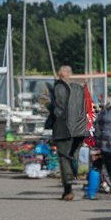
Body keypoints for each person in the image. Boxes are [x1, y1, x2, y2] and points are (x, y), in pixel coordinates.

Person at [45, 66, 89, 200]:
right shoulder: (77, 88)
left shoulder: (59, 88)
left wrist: (51, 109)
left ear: (59, 75)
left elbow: (59, 108)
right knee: (72, 155)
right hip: (79, 128)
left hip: (64, 128)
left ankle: (68, 187)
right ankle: (73, 175)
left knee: (64, 157)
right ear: (69, 75)